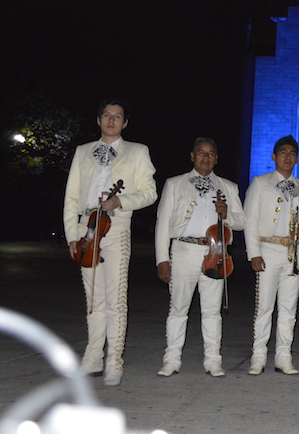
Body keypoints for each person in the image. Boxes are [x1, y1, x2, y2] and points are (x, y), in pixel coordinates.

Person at [63, 100, 157, 386]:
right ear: (98, 120)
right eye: (107, 115)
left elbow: (150, 192)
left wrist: (121, 200)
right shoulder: (83, 152)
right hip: (86, 227)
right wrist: (72, 236)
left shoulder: (138, 151)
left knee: (116, 298)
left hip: (116, 227)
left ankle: (114, 359)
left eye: (118, 117)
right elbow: (71, 197)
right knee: (93, 298)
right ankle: (92, 358)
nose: (112, 120)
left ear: (125, 123)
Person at [154, 137, 246, 378]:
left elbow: (241, 222)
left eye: (211, 153)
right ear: (192, 156)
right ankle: (172, 360)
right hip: (184, 250)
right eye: (201, 153)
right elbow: (162, 223)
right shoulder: (174, 184)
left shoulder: (229, 187)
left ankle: (213, 360)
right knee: (178, 308)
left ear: (216, 158)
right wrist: (162, 259)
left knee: (212, 311)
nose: (206, 157)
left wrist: (227, 215)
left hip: (215, 253)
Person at [244, 135, 299, 375]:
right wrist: (253, 253)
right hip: (267, 250)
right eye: (283, 153)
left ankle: (283, 356)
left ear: (297, 159)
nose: (288, 157)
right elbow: (250, 221)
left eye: (293, 154)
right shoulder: (260, 182)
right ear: (274, 157)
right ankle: (258, 356)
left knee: (289, 309)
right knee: (264, 306)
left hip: (293, 252)